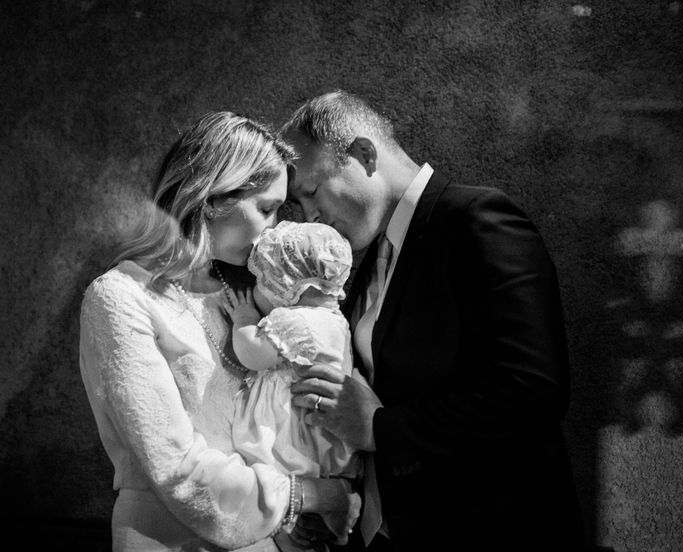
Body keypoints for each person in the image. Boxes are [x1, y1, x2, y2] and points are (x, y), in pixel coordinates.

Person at [280, 91, 587, 551]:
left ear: (364, 154)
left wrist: (382, 428)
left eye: (310, 192)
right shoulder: (367, 264)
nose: (310, 217)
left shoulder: (477, 221)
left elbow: (533, 388)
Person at [79, 111, 360, 552]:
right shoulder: (120, 297)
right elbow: (175, 465)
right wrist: (307, 496)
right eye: (266, 208)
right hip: (167, 539)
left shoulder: (247, 294)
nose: (275, 228)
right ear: (210, 199)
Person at [222, 220, 361, 552]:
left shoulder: (295, 320)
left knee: (279, 471)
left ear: (289, 286)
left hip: (293, 437)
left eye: (261, 281)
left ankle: (291, 525)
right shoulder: (335, 322)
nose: (256, 290)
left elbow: (252, 354)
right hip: (320, 442)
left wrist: (243, 321)